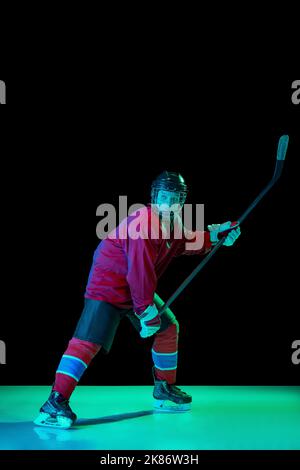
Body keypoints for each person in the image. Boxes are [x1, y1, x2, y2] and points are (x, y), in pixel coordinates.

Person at [34, 171, 241, 428]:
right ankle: (54, 402)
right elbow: (139, 272)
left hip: (135, 289)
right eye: (165, 196)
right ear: (155, 196)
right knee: (87, 342)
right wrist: (145, 311)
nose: (170, 202)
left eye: (175, 197)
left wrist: (216, 236)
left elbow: (184, 242)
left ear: (182, 199)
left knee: (167, 328)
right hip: (109, 287)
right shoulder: (144, 223)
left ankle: (164, 390)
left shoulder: (172, 221)